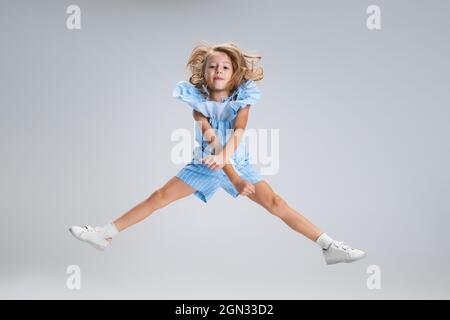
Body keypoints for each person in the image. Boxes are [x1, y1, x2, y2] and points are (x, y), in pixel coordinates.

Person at [69, 41, 366, 265]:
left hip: (238, 160)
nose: (218, 70)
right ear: (204, 73)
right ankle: (104, 233)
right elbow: (210, 138)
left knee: (277, 203)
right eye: (212, 66)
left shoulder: (244, 99)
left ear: (234, 72)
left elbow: (239, 132)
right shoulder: (197, 101)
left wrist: (233, 169)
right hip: (207, 164)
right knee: (158, 197)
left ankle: (329, 246)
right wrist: (230, 173)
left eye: (225, 66)